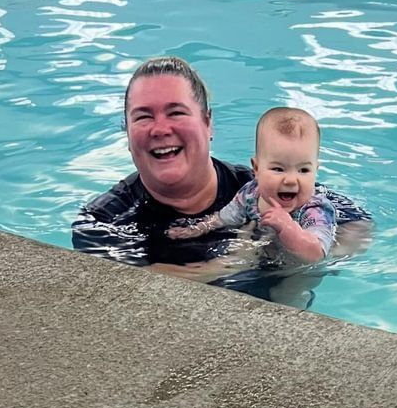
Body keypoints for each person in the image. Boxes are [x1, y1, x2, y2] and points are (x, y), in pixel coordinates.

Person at [71, 56, 371, 290]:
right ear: (127, 134)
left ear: (208, 123)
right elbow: (131, 287)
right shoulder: (103, 222)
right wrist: (231, 264)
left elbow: (357, 225)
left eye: (176, 112)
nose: (161, 129)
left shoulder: (260, 188)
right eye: (143, 117)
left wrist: (289, 256)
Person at [167, 107, 335, 264]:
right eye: (278, 169)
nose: (291, 180)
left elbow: (316, 255)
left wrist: (289, 228)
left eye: (303, 170)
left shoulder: (314, 209)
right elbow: (224, 217)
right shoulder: (251, 194)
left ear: (316, 171)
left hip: (297, 266)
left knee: (289, 291)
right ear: (256, 169)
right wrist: (197, 229)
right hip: (264, 250)